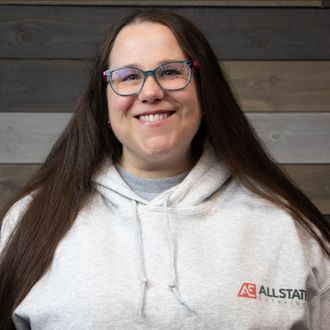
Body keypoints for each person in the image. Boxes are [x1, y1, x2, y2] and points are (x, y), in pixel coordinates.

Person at [0, 9, 329, 330]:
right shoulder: (30, 221)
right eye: (128, 77)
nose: (151, 92)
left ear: (204, 88)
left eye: (171, 71)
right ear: (103, 102)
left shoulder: (288, 227)